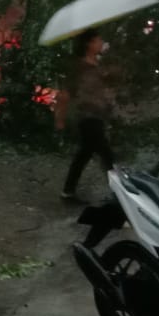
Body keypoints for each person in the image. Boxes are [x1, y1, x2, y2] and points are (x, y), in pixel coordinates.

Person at [54, 28, 115, 202]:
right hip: (86, 116)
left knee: (84, 154)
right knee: (107, 156)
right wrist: (60, 118)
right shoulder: (78, 66)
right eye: (97, 41)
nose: (101, 43)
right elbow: (65, 93)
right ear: (89, 43)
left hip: (98, 115)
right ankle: (120, 196)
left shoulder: (97, 65)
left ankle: (68, 192)